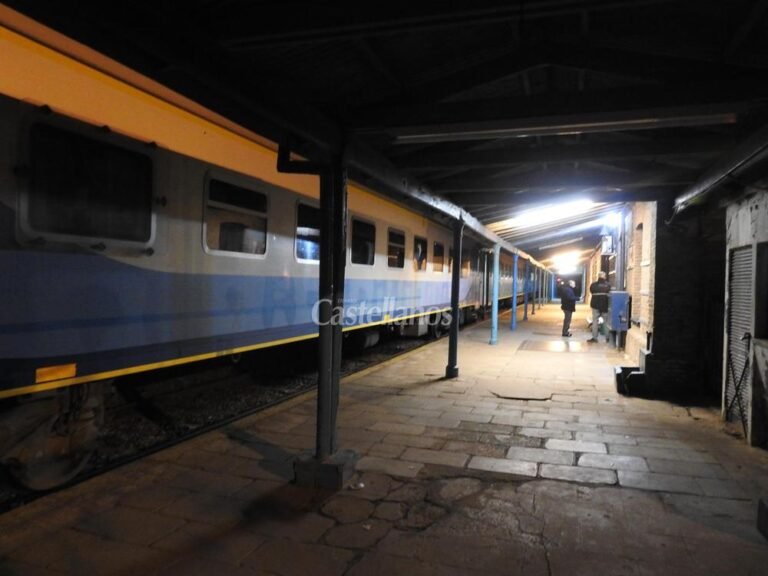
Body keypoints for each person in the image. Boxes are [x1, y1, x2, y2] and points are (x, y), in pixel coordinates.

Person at [587, 271, 611, 343]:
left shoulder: (593, 285)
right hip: (605, 305)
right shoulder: (608, 285)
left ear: (598, 276)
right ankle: (607, 338)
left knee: (595, 321)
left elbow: (591, 291)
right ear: (605, 276)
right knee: (606, 322)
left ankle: (594, 338)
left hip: (595, 305)